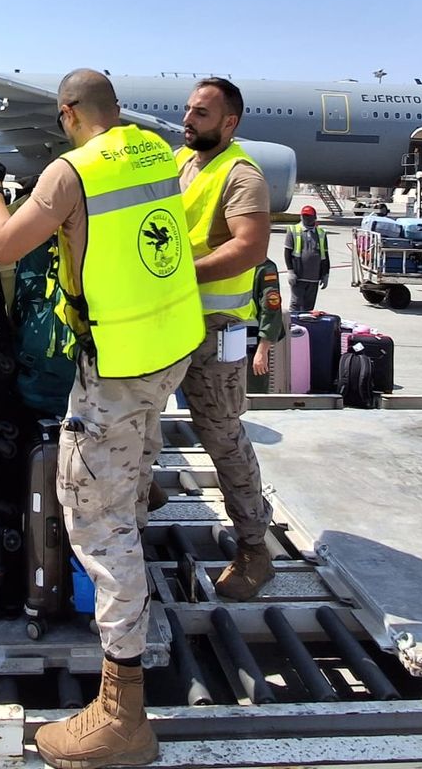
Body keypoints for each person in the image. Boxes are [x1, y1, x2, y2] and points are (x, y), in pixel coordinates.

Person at [0, 68, 203, 769]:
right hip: (171, 347)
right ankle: (137, 489)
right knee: (129, 469)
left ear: (69, 112)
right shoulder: (155, 151)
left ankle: (121, 714)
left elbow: (6, 244)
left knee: (96, 526)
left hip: (119, 365)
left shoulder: (70, 171)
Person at [172, 77, 275, 602]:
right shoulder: (182, 161)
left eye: (202, 114)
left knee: (221, 435)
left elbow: (251, 248)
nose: (189, 119)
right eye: (189, 109)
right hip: (169, 323)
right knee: (136, 415)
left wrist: (181, 274)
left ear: (229, 123)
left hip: (216, 332)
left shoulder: (241, 176)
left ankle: (255, 546)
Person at [284, 204, 328, 313]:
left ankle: (305, 328)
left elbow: (325, 256)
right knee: (296, 304)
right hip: (298, 277)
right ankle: (293, 327)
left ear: (314, 218)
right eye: (304, 216)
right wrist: (290, 271)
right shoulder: (293, 230)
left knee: (309, 308)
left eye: (309, 216)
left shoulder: (321, 233)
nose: (306, 218)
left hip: (314, 278)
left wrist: (325, 274)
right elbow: (287, 252)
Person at [250, 257, 286, 390]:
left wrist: (262, 351)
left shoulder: (264, 268)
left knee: (253, 397)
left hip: (251, 346)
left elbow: (271, 310)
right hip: (223, 342)